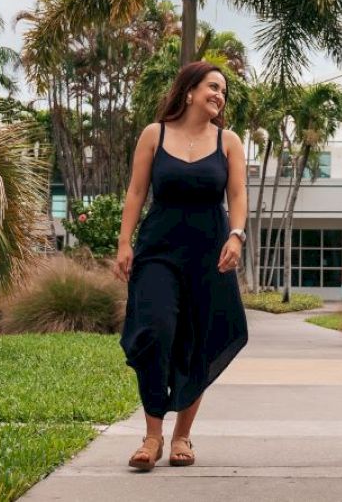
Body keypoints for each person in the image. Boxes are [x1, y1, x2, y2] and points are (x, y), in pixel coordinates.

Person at [114, 61, 249, 471]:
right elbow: (137, 190)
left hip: (210, 251)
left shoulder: (229, 142)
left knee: (198, 339)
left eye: (223, 91)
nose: (219, 95)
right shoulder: (154, 135)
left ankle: (182, 437)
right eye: (212, 86)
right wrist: (124, 241)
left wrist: (236, 236)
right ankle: (151, 436)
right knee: (155, 330)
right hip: (159, 248)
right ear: (188, 91)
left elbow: (238, 196)